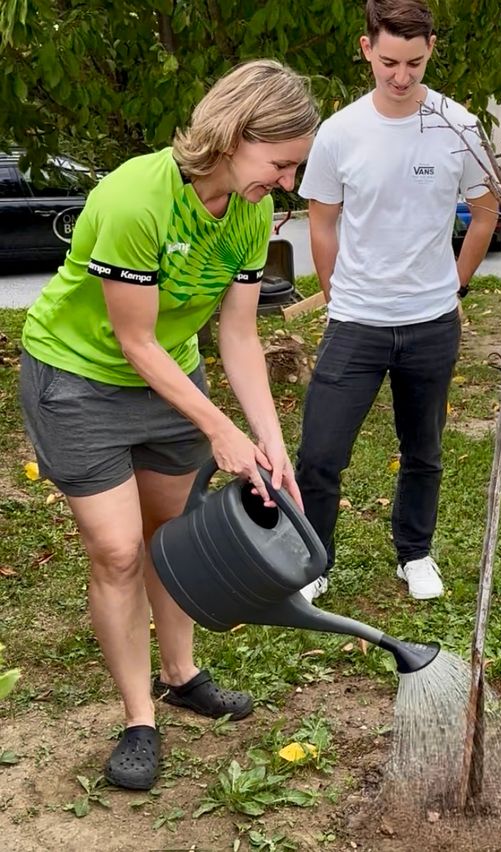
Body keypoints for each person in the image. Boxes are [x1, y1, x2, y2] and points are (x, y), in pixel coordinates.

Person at [19, 60, 318, 789]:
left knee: (170, 538)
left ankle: (180, 675)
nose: (286, 183)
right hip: (81, 380)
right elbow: (135, 341)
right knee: (119, 551)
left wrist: (272, 445)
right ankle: (138, 718)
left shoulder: (248, 211)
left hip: (171, 381)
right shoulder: (134, 198)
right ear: (232, 135)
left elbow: (240, 335)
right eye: (279, 163)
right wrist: (219, 428)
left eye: (295, 168)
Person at [295, 0, 498, 602]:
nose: (401, 76)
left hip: (431, 324)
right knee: (320, 455)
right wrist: (335, 297)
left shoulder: (458, 125)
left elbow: (485, 213)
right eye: (389, 62)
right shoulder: (339, 132)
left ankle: (416, 554)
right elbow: (322, 223)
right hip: (355, 321)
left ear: (431, 48)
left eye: (413, 61)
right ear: (367, 50)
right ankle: (314, 561)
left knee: (424, 449)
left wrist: (455, 287)